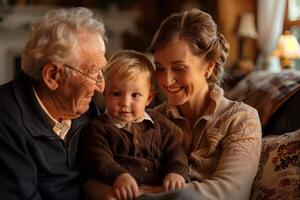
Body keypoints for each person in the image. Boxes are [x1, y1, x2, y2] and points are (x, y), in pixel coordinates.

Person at [138, 8, 262, 200]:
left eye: (179, 68)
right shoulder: (150, 119)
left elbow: (231, 192)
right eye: (160, 68)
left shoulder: (242, 119)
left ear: (208, 67)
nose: (166, 80)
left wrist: (153, 194)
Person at [0, 7, 107, 200]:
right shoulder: (6, 122)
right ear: (52, 76)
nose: (101, 87)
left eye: (101, 72)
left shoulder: (85, 108)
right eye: (92, 73)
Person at [83, 50, 189, 200]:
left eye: (135, 95)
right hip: (121, 191)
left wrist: (176, 172)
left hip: (157, 190)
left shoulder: (158, 127)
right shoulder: (100, 127)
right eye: (116, 94)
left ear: (149, 98)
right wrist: (119, 176)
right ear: (105, 92)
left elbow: (175, 151)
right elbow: (98, 158)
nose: (125, 103)